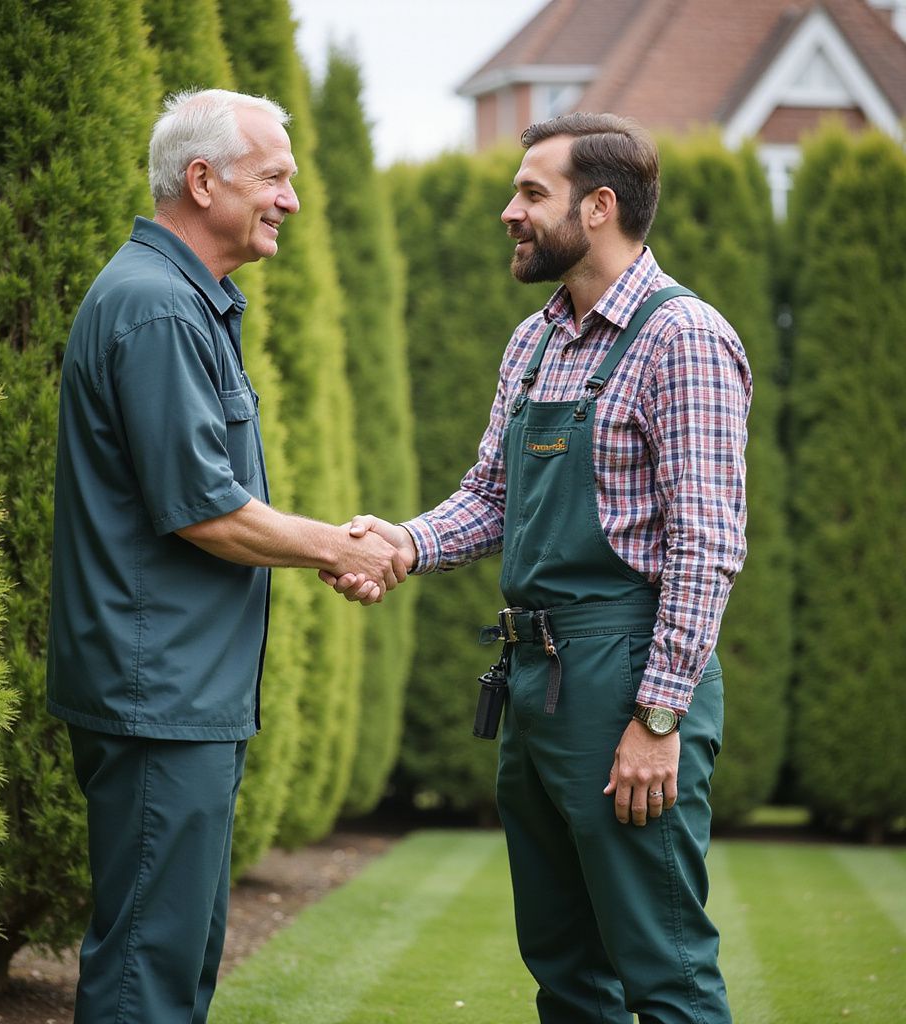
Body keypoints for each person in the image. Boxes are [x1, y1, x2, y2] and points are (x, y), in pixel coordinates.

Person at [326, 112, 750, 1023]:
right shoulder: (536, 341)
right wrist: (401, 543)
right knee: (565, 972)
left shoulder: (686, 340)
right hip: (535, 678)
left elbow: (708, 546)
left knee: (665, 970)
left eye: (530, 193)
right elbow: (490, 497)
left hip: (625, 675)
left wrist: (659, 716)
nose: (508, 212)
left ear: (598, 207)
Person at [46, 88, 406, 1024]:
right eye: (275, 177)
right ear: (202, 182)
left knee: (176, 957)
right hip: (158, 695)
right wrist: (341, 545)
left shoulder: (181, 301)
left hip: (176, 694)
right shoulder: (159, 309)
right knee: (146, 975)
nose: (291, 199)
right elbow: (204, 510)